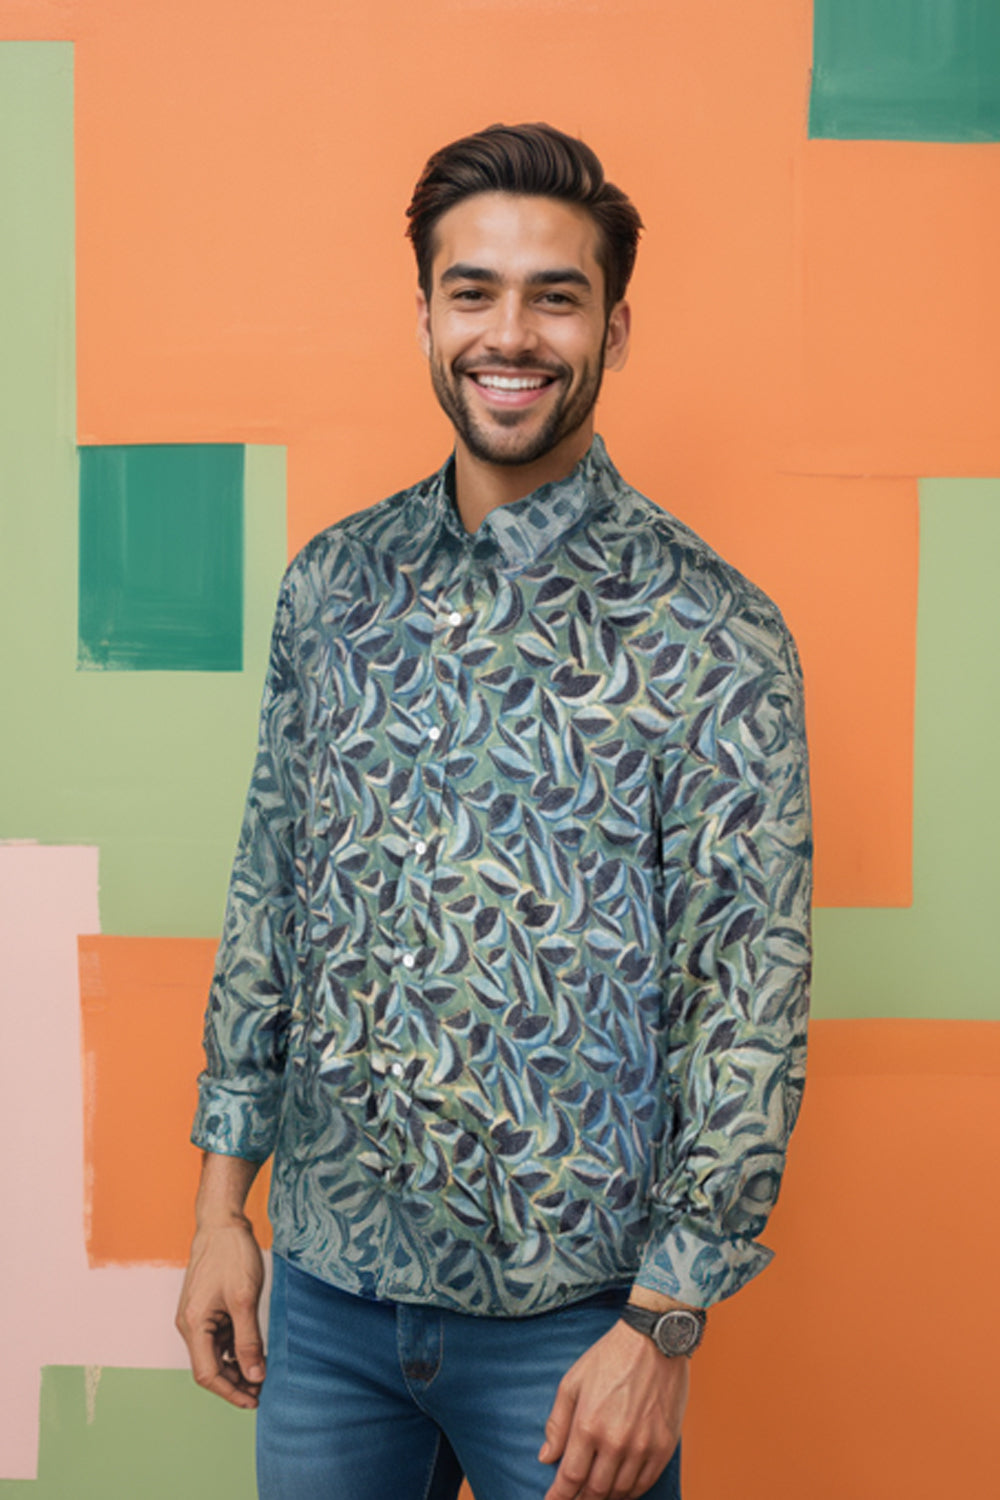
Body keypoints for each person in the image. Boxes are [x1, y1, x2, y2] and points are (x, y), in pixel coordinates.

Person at [176, 122, 812, 1500]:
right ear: (425, 313)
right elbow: (270, 898)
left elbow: (744, 1010)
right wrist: (223, 1210)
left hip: (575, 1333)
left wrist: (663, 1326)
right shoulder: (332, 587)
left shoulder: (716, 634)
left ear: (613, 329)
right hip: (326, 1309)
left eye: (554, 296)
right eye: (473, 291)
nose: (509, 334)